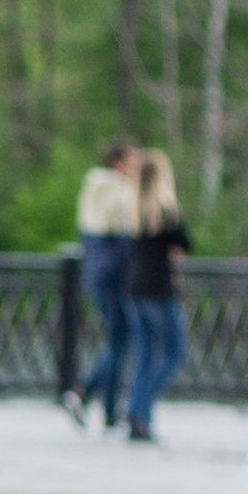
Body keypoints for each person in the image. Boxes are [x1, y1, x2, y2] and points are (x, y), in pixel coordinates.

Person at [70, 137, 140, 429]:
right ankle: (84, 391)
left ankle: (108, 408)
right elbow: (127, 233)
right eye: (132, 161)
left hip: (98, 272)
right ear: (117, 162)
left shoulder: (94, 188)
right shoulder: (120, 191)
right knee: (123, 338)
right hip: (114, 274)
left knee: (118, 338)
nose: (136, 167)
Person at [124, 149, 192, 445]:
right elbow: (185, 243)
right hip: (157, 289)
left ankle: (140, 419)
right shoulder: (165, 210)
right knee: (175, 353)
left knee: (145, 356)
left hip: (133, 287)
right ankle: (138, 409)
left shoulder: (134, 210)